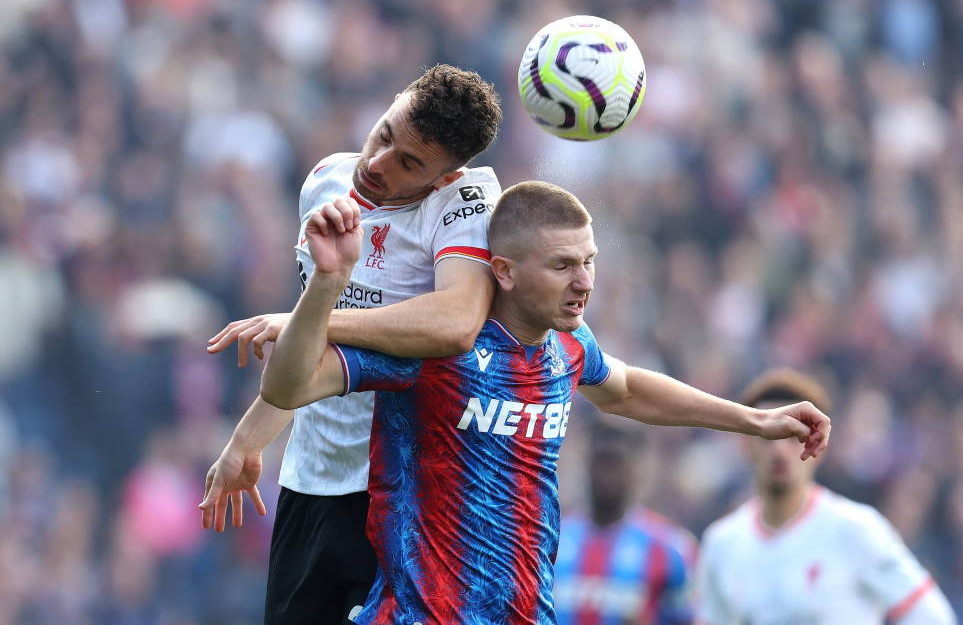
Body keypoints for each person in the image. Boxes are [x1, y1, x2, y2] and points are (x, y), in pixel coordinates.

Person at [258, 180, 832, 624]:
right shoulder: (434, 345)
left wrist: (753, 420)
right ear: (503, 271)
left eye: (589, 261)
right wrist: (326, 286)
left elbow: (626, 389)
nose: (584, 282)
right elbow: (289, 386)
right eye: (562, 266)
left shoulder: (567, 342)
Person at [197, 64, 503, 625]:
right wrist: (247, 439)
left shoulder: (468, 202)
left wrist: (304, 321)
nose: (378, 163)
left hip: (404, 493)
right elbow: (313, 351)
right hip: (310, 479)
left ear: (444, 177)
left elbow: (456, 322)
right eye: (385, 135)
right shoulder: (325, 182)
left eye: (409, 162)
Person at [692, 369, 957, 625]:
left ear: (819, 444)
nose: (779, 450)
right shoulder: (722, 544)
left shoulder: (856, 529)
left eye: (794, 436)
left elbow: (930, 615)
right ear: (745, 444)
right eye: (768, 435)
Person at [553, 416, 698, 625]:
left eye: (616, 463)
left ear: (636, 469)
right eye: (600, 461)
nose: (606, 474)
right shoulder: (550, 540)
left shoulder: (672, 547)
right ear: (586, 464)